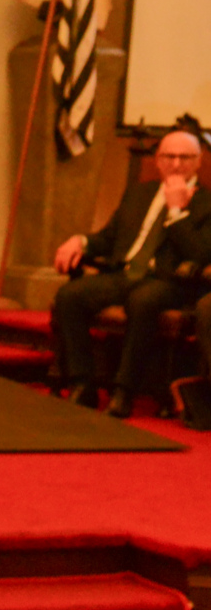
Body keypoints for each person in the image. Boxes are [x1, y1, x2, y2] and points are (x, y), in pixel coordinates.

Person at [50, 124, 211, 417]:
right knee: (70, 295)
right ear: (158, 160)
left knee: (143, 301)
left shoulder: (206, 202)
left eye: (185, 157)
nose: (176, 164)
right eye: (169, 156)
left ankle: (124, 390)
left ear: (198, 161)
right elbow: (108, 238)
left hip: (169, 282)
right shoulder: (139, 193)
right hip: (124, 274)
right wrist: (80, 241)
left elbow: (200, 254)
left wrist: (176, 212)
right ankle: (82, 383)